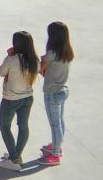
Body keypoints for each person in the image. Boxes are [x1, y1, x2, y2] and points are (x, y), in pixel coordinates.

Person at [0, 31, 39, 172]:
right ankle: (17, 154)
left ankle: (14, 158)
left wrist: (8, 56)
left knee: (5, 126)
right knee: (23, 126)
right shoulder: (35, 61)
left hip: (10, 99)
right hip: (27, 98)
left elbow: (1, 72)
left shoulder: (12, 59)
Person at [38, 22, 73, 166]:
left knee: (54, 124)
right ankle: (57, 146)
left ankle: (55, 154)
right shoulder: (67, 51)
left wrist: (41, 61)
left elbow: (41, 69)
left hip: (52, 92)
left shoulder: (52, 53)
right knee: (60, 121)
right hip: (63, 90)